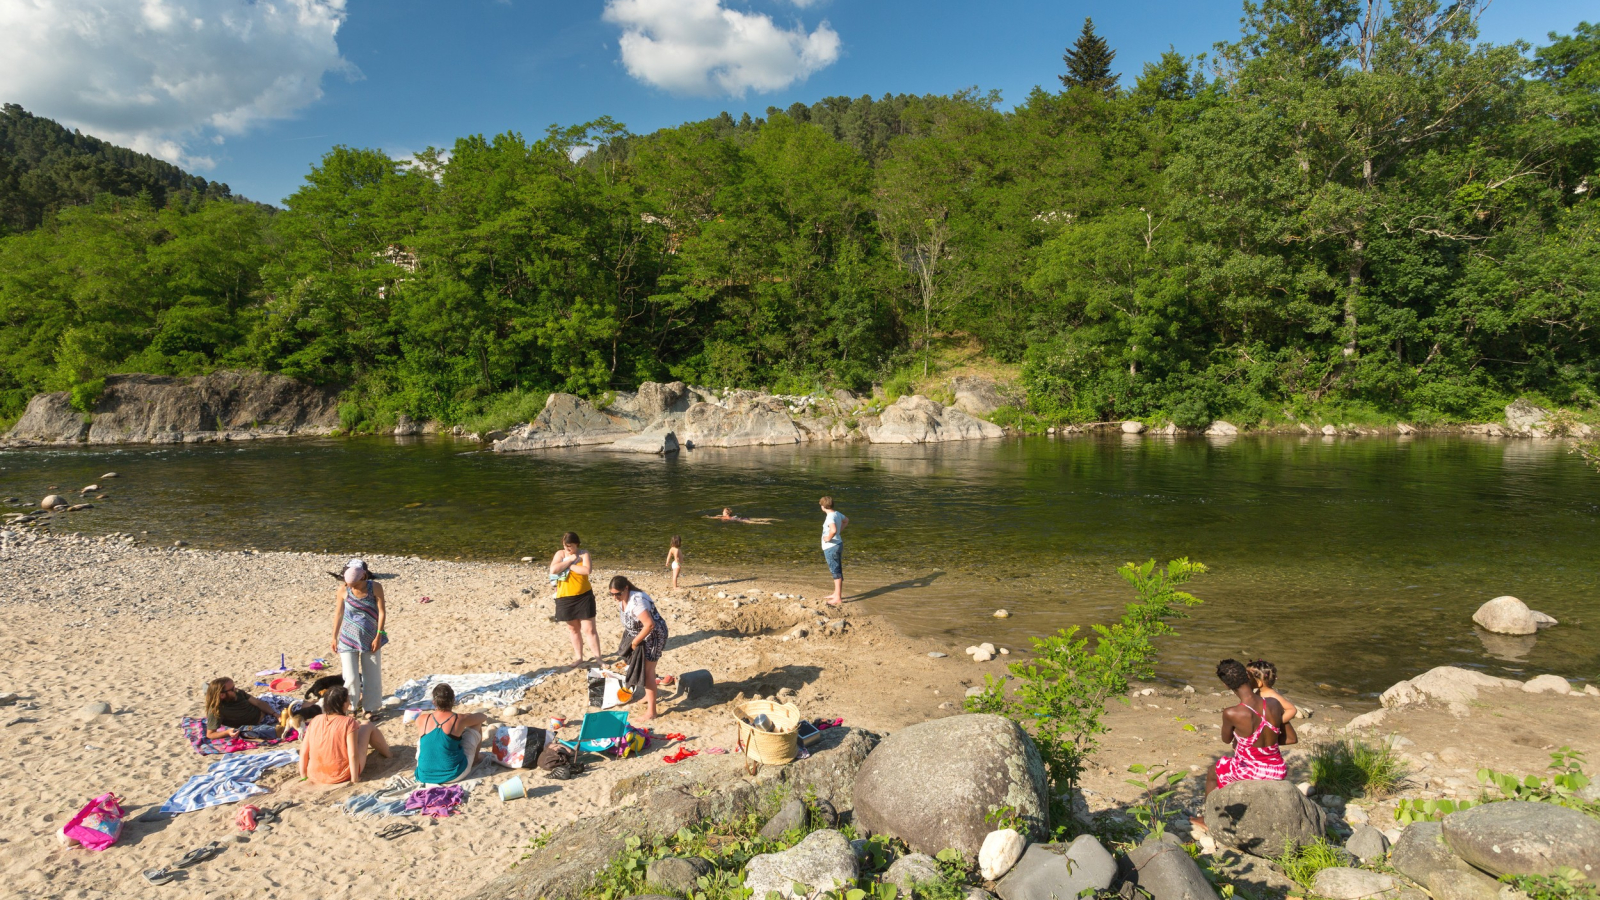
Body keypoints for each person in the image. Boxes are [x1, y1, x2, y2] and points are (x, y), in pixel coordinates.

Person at [1196, 659, 1296, 826]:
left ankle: (1209, 819)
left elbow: (1226, 739)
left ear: (1226, 685)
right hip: (1277, 768)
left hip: (1251, 771)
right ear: (1248, 674)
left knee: (1213, 771)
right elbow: (1289, 736)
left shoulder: (1232, 713)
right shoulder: (1273, 703)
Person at [299, 685, 391, 785]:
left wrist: (304, 776)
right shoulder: (348, 722)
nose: (349, 703)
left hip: (314, 774)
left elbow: (304, 751)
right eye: (348, 700)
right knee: (367, 725)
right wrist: (354, 778)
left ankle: (387, 753)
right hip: (341, 775)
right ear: (343, 704)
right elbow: (352, 754)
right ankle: (389, 754)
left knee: (359, 727)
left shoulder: (315, 719)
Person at [330, 558, 386, 719]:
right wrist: (334, 637)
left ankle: (369, 709)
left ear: (363, 577)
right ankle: (352, 707)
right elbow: (339, 614)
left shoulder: (375, 587)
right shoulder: (343, 590)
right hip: (347, 637)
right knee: (351, 676)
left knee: (372, 675)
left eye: (353, 584)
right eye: (347, 583)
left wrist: (379, 636)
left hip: (370, 636)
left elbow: (382, 612)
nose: (350, 587)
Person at [610, 575, 669, 720]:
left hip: (653, 637)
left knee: (648, 673)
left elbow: (650, 625)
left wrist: (635, 642)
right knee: (646, 669)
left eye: (618, 594)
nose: (615, 597)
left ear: (626, 588)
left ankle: (652, 712)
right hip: (641, 636)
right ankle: (648, 697)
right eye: (612, 594)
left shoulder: (637, 602)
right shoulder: (624, 598)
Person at [414, 683, 487, 785]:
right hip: (454, 774)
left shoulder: (422, 719)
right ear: (453, 700)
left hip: (424, 775)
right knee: (476, 725)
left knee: (422, 740)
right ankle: (475, 759)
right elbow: (482, 717)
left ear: (434, 702)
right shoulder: (459, 719)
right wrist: (468, 716)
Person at [550, 532, 602, 667]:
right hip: (565, 597)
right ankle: (579, 657)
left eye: (570, 546)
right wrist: (568, 560)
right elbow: (553, 569)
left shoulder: (584, 554)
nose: (567, 549)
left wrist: (569, 564)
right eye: (565, 546)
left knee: (589, 629)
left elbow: (587, 570)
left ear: (576, 544)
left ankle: (598, 659)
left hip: (584, 596)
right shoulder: (560, 554)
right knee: (573, 629)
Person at [203, 677, 277, 741]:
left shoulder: (238, 693)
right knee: (272, 732)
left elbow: (258, 703)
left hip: (263, 714)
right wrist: (227, 732)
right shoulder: (216, 710)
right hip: (251, 725)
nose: (235, 689)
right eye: (232, 689)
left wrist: (275, 714)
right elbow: (210, 734)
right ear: (222, 695)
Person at [819, 496, 849, 606]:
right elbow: (846, 520)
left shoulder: (830, 517)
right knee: (837, 569)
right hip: (838, 544)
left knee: (835, 570)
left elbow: (833, 529)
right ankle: (836, 593)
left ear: (823, 506)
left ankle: (837, 597)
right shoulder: (837, 513)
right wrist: (838, 533)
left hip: (831, 546)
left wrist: (829, 537)